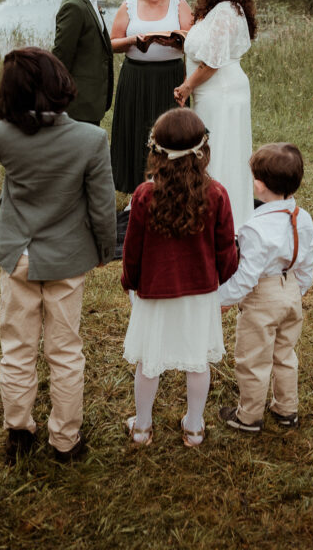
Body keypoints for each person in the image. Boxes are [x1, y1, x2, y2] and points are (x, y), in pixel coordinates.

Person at [0, 47, 116, 464]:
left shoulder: (1, 136)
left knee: (17, 348)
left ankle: (18, 431)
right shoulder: (91, 139)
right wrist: (103, 249)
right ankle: (65, 440)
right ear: (61, 85)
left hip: (18, 255)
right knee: (64, 351)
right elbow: (101, 208)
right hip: (66, 259)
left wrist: (9, 107)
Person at [121, 108, 238, 447]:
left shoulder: (145, 194)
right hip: (200, 292)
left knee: (149, 361)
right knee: (197, 361)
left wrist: (131, 281)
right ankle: (194, 426)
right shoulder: (216, 194)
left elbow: (132, 249)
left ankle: (142, 427)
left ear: (155, 151)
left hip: (155, 291)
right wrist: (222, 277)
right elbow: (225, 248)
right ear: (203, 151)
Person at [217, 142, 313, 434]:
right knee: (285, 354)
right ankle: (287, 409)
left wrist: (219, 298)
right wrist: (300, 290)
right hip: (292, 292)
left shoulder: (254, 227)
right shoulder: (304, 218)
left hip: (262, 298)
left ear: (258, 186)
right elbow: (308, 259)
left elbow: (247, 277)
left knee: (253, 359)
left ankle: (248, 417)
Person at [173, 0, 257, 230]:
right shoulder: (219, 8)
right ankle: (212, 211)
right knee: (213, 147)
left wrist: (186, 87)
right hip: (215, 89)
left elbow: (212, 63)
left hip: (221, 91)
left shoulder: (224, 12)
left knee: (220, 150)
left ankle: (220, 218)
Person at [110, 0, 194, 193]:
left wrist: (177, 39)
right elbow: (113, 43)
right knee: (136, 127)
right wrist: (132, 40)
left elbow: (193, 39)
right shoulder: (129, 5)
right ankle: (134, 185)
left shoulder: (179, 3)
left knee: (170, 130)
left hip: (170, 76)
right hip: (136, 76)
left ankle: (172, 183)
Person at [52, 0, 113, 127]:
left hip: (91, 100)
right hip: (78, 103)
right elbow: (60, 58)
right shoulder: (74, 6)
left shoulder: (90, 0)